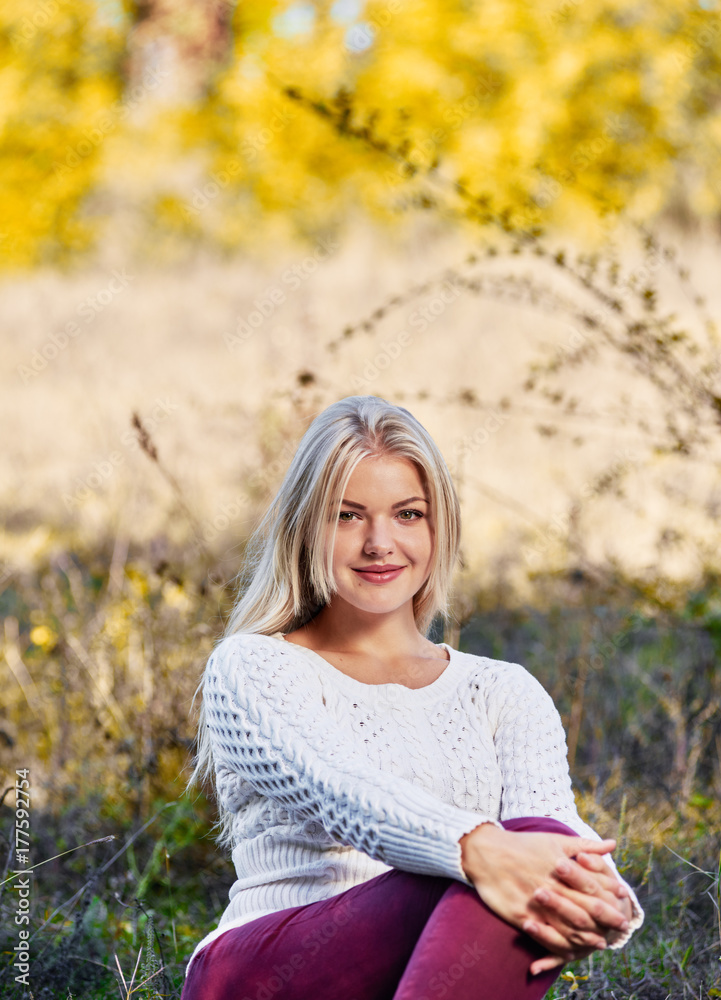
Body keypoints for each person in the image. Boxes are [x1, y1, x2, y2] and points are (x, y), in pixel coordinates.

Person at [182, 394, 644, 1000]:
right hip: (269, 968)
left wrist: (607, 903)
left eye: (407, 514)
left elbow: (556, 832)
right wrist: (480, 851)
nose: (379, 543)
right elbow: (342, 790)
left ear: (438, 526)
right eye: (347, 516)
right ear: (306, 528)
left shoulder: (502, 690)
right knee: (490, 870)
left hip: (429, 974)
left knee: (530, 846)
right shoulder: (255, 666)